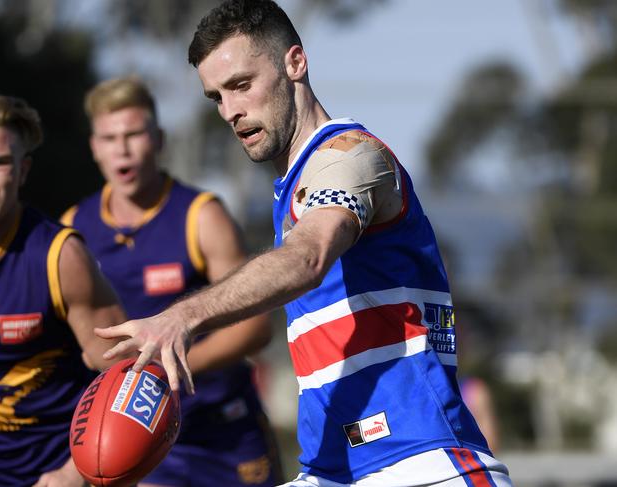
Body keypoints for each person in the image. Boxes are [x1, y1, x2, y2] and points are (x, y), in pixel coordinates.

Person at [96, 1, 514, 485]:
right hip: (333, 469)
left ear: (295, 63)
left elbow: (308, 256)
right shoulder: (290, 191)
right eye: (216, 97)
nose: (230, 112)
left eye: (241, 85)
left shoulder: (353, 156)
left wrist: (182, 318)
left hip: (420, 463)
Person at [61, 76, 283, 487]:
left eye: (134, 134)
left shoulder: (201, 215)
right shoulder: (73, 229)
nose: (122, 149)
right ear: (94, 147)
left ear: (158, 139)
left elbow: (255, 328)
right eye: (110, 138)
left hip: (223, 430)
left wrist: (161, 373)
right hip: (137, 436)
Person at [0, 92, 126, 486]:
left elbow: (133, 376)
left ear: (22, 171)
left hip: (53, 473)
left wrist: (77, 473)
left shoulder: (59, 257)